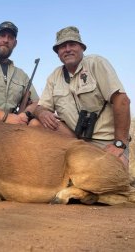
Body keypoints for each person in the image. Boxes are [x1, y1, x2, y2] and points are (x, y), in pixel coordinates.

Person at [32, 26, 131, 167]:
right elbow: (41, 107)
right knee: (35, 124)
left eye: (72, 44)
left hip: (105, 142)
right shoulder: (54, 76)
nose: (67, 49)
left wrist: (119, 143)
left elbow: (122, 101)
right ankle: (46, 171)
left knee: (114, 171)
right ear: (58, 53)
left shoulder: (96, 63)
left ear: (82, 48)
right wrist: (41, 113)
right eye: (62, 47)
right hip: (74, 140)